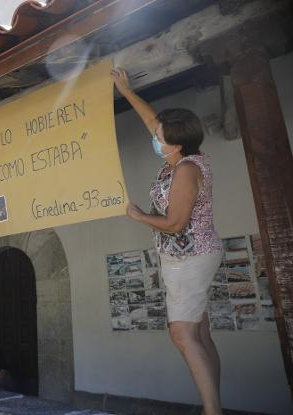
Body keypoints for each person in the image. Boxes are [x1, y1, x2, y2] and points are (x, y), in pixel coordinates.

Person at [111, 68, 224, 415]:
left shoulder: (186, 170)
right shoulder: (180, 154)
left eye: (159, 137)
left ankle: (212, 410)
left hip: (189, 258)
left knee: (181, 333)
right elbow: (152, 119)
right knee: (200, 332)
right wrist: (125, 90)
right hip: (188, 256)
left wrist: (139, 216)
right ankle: (213, 404)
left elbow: (175, 224)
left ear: (174, 144)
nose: (154, 137)